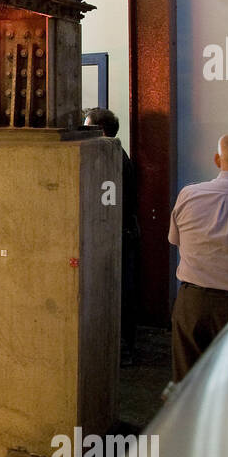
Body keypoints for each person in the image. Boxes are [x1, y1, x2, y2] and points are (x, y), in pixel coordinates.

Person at [168, 131, 228, 381]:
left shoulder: (189, 195)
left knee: (189, 386)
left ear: (217, 160)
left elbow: (174, 240)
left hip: (193, 303)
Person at [84, 107, 139, 362]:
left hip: (119, 235)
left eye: (87, 127)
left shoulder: (111, 159)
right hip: (121, 233)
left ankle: (123, 349)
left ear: (100, 130)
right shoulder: (117, 156)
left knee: (121, 293)